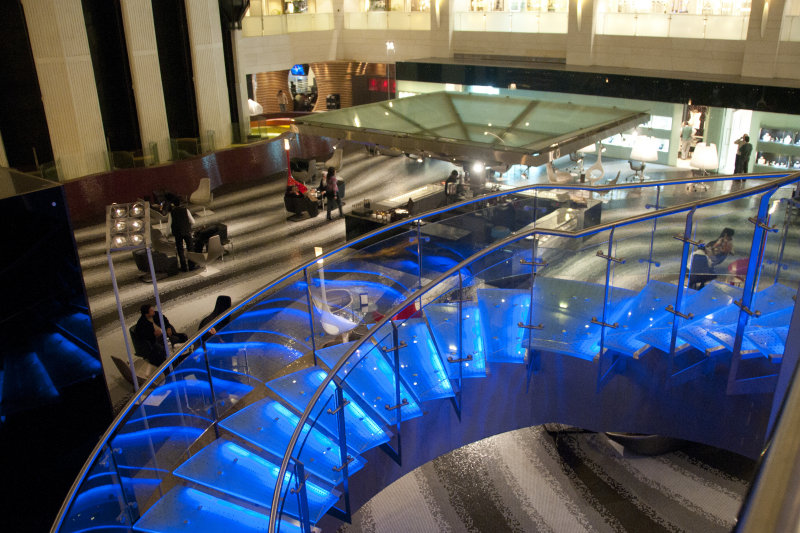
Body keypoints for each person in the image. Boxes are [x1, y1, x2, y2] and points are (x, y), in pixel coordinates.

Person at [169, 196, 195, 272]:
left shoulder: (172, 213)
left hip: (177, 233)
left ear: (173, 204)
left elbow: (169, 225)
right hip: (187, 231)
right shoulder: (185, 210)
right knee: (190, 248)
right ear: (180, 203)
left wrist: (167, 234)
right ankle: (191, 265)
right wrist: (188, 226)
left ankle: (183, 267)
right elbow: (193, 222)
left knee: (180, 249)